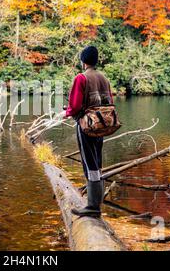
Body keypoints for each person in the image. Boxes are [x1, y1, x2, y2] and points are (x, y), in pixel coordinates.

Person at [63, 46, 113, 218]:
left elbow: (75, 105)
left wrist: (67, 113)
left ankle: (92, 206)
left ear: (83, 61)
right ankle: (96, 205)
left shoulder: (81, 78)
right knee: (97, 162)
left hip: (86, 126)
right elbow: (108, 102)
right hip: (101, 126)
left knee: (88, 162)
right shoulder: (104, 78)